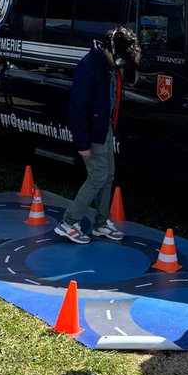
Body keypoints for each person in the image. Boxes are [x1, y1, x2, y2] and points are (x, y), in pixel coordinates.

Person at [55, 26, 141, 244]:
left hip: (105, 129)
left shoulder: (108, 65)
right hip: (92, 133)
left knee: (108, 175)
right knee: (97, 177)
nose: (120, 64)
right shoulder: (89, 66)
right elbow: (77, 108)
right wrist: (82, 142)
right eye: (120, 59)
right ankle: (68, 222)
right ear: (110, 48)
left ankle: (101, 223)